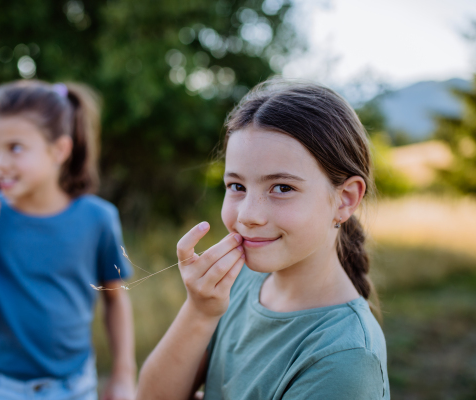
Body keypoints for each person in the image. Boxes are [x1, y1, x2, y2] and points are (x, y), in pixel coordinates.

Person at [137, 79, 390, 400]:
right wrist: (199, 312)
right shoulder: (238, 282)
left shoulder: (344, 357)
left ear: (345, 199)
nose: (247, 216)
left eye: (282, 188)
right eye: (237, 186)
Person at [0, 80, 136, 400]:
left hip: (75, 388)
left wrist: (124, 376)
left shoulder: (98, 219)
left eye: (15, 147)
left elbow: (115, 299)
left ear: (59, 150)